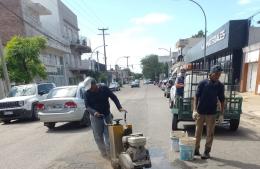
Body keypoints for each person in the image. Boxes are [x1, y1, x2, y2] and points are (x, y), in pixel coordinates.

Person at [83, 77, 126, 158]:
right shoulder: (87, 93)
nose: (90, 90)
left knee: (108, 136)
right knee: (98, 136)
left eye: (91, 88)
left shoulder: (104, 88)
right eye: (89, 89)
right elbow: (87, 106)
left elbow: (114, 97)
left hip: (106, 115)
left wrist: (119, 107)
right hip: (95, 117)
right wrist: (94, 112)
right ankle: (103, 152)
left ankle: (111, 154)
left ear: (94, 84)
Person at [193, 65, 225, 159]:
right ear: (211, 73)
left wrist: (221, 114)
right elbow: (196, 96)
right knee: (198, 132)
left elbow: (222, 100)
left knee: (210, 133)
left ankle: (207, 152)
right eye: (216, 74)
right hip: (200, 112)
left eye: (219, 75)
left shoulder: (220, 86)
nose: (217, 76)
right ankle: (196, 149)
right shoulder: (203, 83)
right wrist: (194, 110)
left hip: (211, 113)